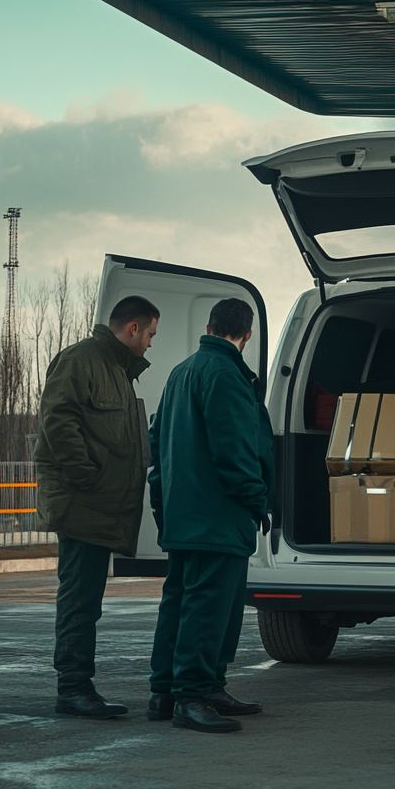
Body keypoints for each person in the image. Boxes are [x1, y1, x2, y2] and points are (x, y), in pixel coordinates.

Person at [146, 298, 273, 733]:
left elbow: (156, 441)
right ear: (247, 335)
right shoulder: (226, 375)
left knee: (180, 600)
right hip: (218, 515)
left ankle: (167, 692)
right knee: (210, 607)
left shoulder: (182, 373)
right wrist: (257, 500)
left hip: (184, 513)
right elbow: (236, 450)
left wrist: (163, 504)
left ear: (210, 325)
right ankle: (194, 696)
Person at [35, 295, 160, 717]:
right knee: (79, 599)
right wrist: (85, 475)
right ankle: (72, 688)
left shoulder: (116, 371)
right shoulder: (82, 361)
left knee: (86, 598)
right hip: (82, 502)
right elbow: (57, 420)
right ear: (133, 329)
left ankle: (76, 686)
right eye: (150, 334)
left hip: (97, 504)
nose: (150, 344)